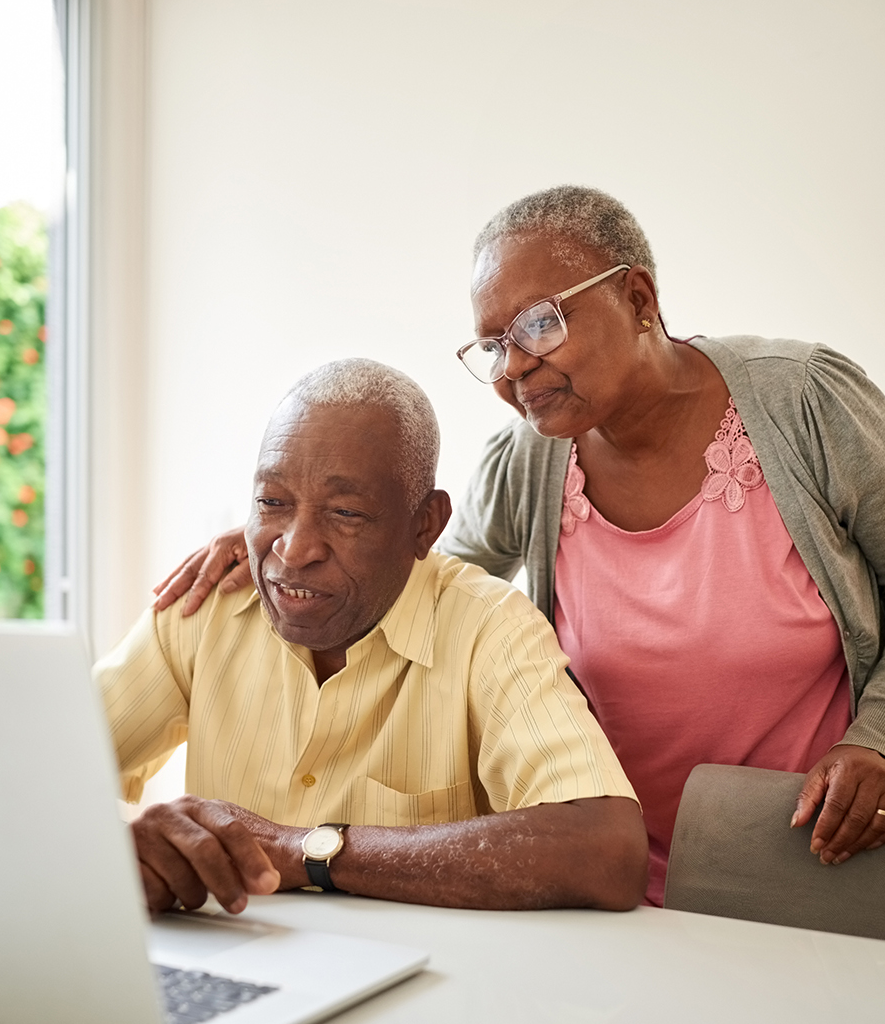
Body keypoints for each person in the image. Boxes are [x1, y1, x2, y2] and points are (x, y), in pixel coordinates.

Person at [154, 188, 885, 905]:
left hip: (813, 854)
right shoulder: (532, 460)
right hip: (604, 874)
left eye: (539, 325)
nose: (513, 368)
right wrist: (287, 527)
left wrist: (882, 739)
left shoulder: (805, 403)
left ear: (639, 297)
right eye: (492, 345)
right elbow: (426, 577)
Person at [100, 358, 647, 915]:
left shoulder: (489, 628)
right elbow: (32, 777)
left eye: (345, 512)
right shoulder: (204, 608)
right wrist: (137, 841)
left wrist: (303, 851)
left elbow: (606, 851)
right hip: (233, 971)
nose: (294, 548)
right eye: (272, 503)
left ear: (424, 525)